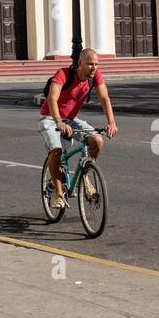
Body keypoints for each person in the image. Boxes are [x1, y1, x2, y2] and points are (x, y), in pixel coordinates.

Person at [39, 48, 117, 209]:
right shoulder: (63, 74)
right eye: (90, 64)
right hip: (50, 118)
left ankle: (84, 177)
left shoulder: (95, 76)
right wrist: (59, 122)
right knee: (56, 151)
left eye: (96, 64)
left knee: (97, 140)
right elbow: (52, 98)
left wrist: (111, 122)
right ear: (80, 63)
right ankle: (59, 195)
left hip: (72, 120)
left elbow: (104, 97)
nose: (94, 67)